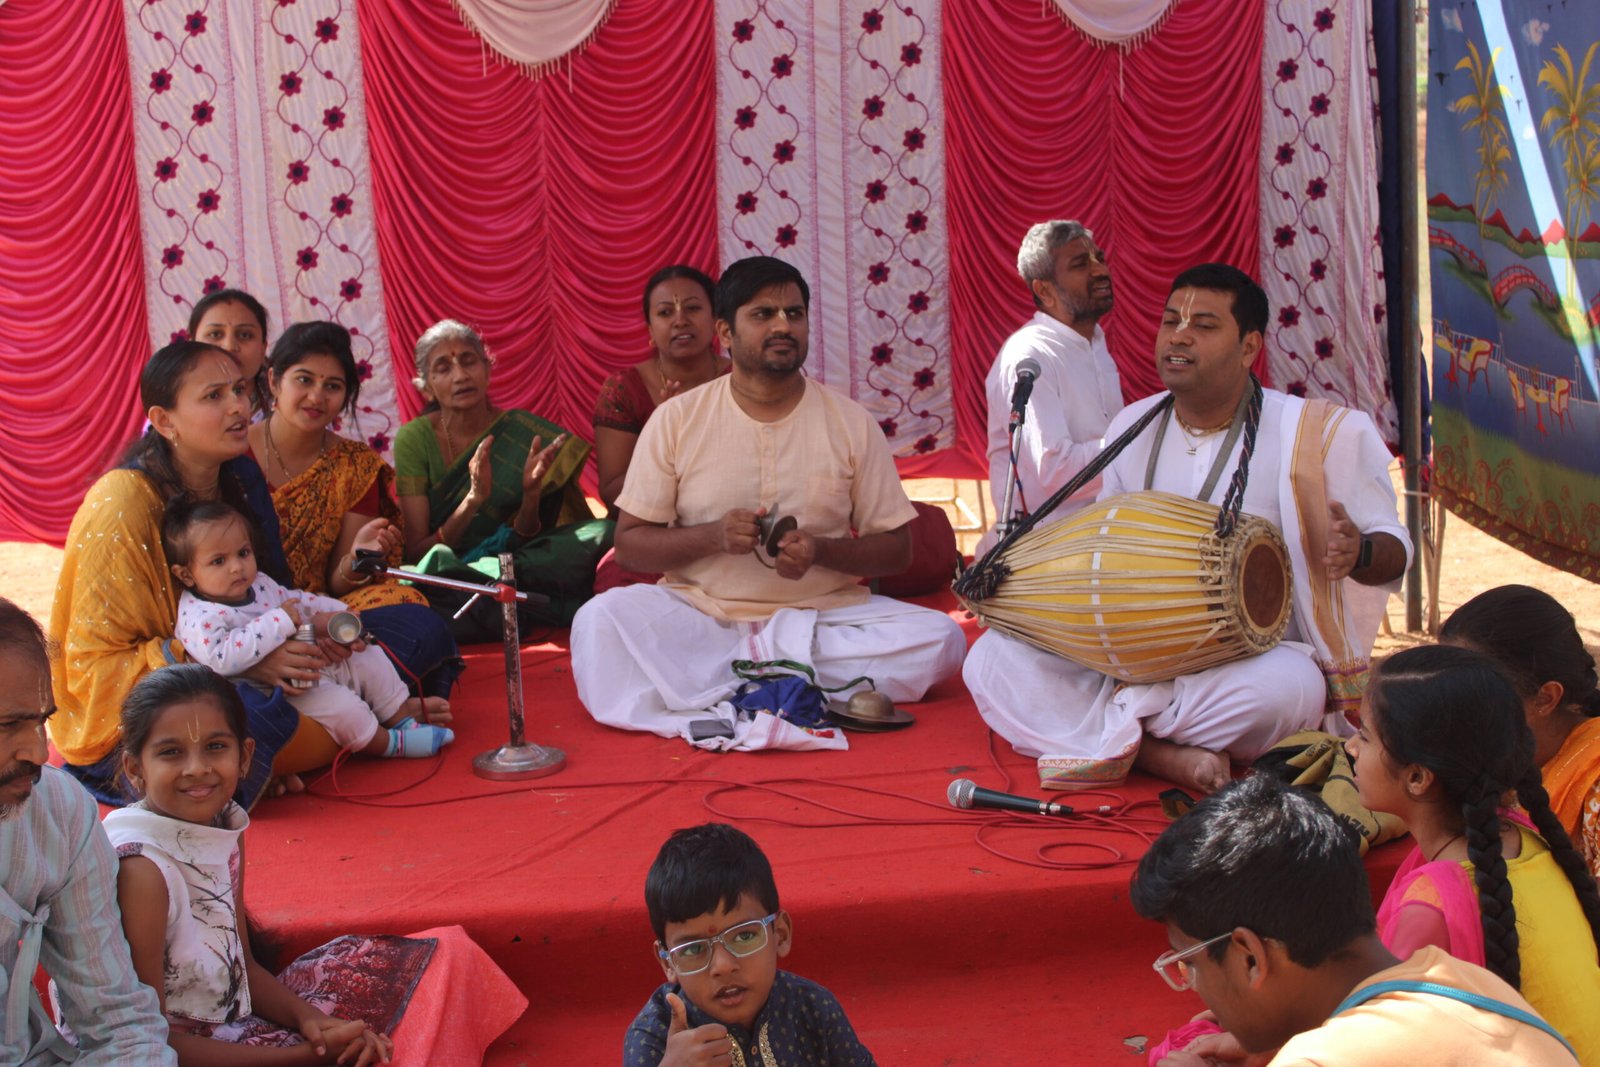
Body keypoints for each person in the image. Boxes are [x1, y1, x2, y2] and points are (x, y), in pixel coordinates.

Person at [965, 264, 1410, 794]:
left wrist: (1360, 552)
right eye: (1170, 320)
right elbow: (1101, 554)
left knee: (1292, 695)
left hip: (1245, 664)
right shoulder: (1132, 426)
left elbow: (1396, 547)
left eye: (1203, 325)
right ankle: (1157, 751)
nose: (1178, 336)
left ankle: (1120, 734)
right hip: (1127, 656)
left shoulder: (1313, 435)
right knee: (991, 659)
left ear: (1248, 347)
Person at [569, 256, 966, 742]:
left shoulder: (850, 422)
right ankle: (786, 681)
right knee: (599, 621)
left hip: (821, 618)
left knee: (942, 640)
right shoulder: (676, 419)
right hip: (703, 616)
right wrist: (712, 537)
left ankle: (729, 685)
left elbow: (897, 549)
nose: (783, 326)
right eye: (763, 314)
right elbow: (630, 546)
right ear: (726, 332)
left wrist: (822, 551)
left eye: (794, 314)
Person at [105, 664, 526, 1065]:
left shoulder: (223, 822)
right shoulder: (142, 870)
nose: (197, 769)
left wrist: (315, 1023)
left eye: (215, 747)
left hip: (234, 1023)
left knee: (445, 955)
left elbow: (243, 969)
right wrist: (304, 1057)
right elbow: (146, 1038)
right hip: (165, 1052)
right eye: (171, 753)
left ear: (245, 756)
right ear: (134, 768)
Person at [1131, 774, 1577, 1067]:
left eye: (1189, 964)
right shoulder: (1468, 980)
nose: (1195, 984)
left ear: (1249, 956)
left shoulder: (1319, 1060)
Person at [50, 340, 311, 807]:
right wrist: (239, 660)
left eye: (240, 390)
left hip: (247, 647)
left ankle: (257, 764)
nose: (238, 407)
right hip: (158, 694)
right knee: (252, 715)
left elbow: (272, 585)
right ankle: (280, 754)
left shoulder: (242, 477)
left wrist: (288, 642)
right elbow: (94, 663)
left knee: (410, 629)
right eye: (214, 396)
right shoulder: (121, 501)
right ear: (164, 420)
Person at [1347, 644, 1600, 1063]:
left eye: (1365, 736)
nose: (1351, 747)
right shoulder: (1527, 837)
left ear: (1417, 777)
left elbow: (1370, 1047)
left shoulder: (1430, 910)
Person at [0, 596, 177, 1065]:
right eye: (9, 725)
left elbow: (119, 1019)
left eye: (41, 722)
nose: (39, 753)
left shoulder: (58, 810)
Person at [249, 321, 461, 700]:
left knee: (411, 609)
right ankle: (362, 690)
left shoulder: (355, 466)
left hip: (322, 612)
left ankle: (318, 683)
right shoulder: (234, 453)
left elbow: (336, 584)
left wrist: (357, 557)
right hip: (244, 614)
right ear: (274, 381)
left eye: (333, 386)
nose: (317, 396)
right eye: (304, 380)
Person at [165, 497, 454, 760]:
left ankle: (401, 717)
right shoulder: (198, 616)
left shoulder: (258, 583)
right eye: (219, 561)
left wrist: (336, 613)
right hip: (279, 690)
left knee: (368, 656)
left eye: (243, 553)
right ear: (186, 574)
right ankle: (390, 744)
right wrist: (279, 621)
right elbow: (220, 658)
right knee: (343, 707)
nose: (236, 567)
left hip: (310, 659)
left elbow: (297, 601)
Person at [394, 319, 613, 639]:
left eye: (469, 361)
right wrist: (473, 500)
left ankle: (496, 593)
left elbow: (524, 536)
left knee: (605, 533)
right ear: (426, 386)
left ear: (488, 368)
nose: (460, 375)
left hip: (511, 561)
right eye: (443, 368)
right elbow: (417, 551)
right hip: (447, 566)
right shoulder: (414, 438)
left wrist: (531, 493)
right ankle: (512, 596)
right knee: (432, 569)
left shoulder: (520, 431)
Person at [623, 823, 875, 1065]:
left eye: (744, 936)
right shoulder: (654, 1039)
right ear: (668, 962)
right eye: (693, 949)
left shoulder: (814, 1008)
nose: (723, 966)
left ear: (780, 934)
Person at [1440, 585, 1600, 882]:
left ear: (1546, 698)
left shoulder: (1595, 786)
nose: (1453, 708)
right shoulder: (1495, 759)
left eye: (1475, 693)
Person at [980, 220, 1123, 552]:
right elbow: (1057, 471)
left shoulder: (1095, 346)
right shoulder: (1031, 355)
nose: (1100, 270)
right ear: (1044, 291)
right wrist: (1139, 442)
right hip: (1043, 555)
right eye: (1081, 264)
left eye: (1100, 259)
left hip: (1098, 541)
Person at [593, 265, 730, 512]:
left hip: (733, 517)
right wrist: (664, 437)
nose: (680, 321)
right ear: (650, 330)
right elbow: (612, 493)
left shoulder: (739, 379)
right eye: (665, 312)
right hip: (650, 526)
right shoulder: (624, 389)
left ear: (715, 320)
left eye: (693, 308)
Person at [190, 289, 272, 415]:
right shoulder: (172, 411)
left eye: (245, 335)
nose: (229, 347)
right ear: (192, 345)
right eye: (215, 334)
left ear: (263, 348)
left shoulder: (288, 411)